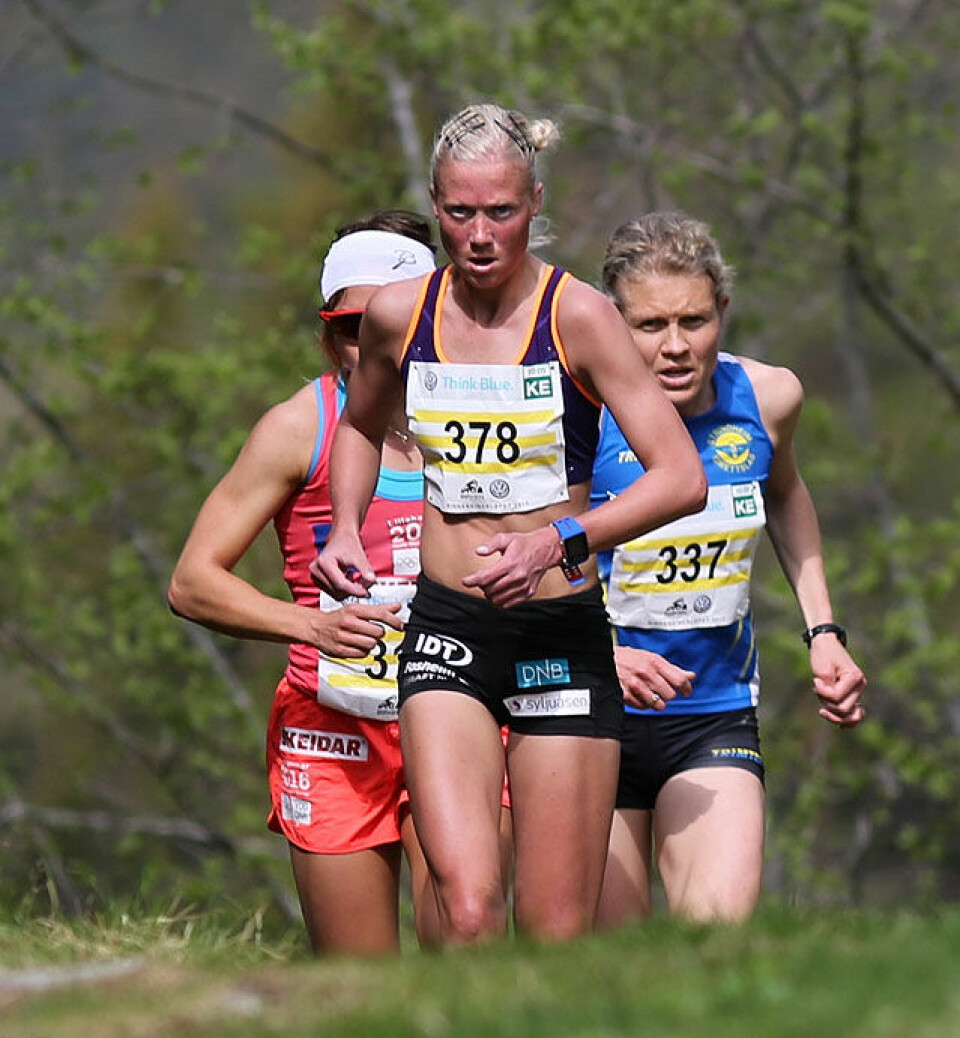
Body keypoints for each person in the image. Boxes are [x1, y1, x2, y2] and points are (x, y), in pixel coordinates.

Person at [310, 104, 706, 946]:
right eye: (458, 212)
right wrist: (343, 526)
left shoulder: (580, 317)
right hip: (447, 625)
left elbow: (682, 478)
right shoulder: (397, 314)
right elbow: (355, 423)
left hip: (556, 628)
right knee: (466, 907)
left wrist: (557, 541)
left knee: (557, 930)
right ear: (434, 202)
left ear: (535, 201)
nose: (480, 234)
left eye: (502, 211)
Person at [167, 211, 439, 956]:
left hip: (457, 714)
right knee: (360, 983)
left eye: (399, 321)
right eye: (355, 325)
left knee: (469, 945)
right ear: (329, 334)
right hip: (335, 728)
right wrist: (310, 625)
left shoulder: (476, 415)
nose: (377, 342)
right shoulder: (299, 427)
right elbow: (192, 580)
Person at [591, 210, 867, 926]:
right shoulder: (577, 414)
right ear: (612, 324)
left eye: (695, 320)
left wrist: (824, 630)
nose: (676, 347)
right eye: (650, 326)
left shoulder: (768, 399)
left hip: (713, 714)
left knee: (716, 941)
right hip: (588, 719)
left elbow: (786, 496)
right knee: (600, 966)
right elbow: (520, 560)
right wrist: (597, 650)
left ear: (724, 312)